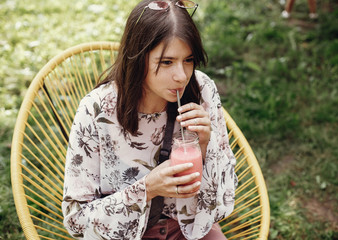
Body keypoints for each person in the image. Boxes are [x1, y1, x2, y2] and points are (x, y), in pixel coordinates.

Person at [62, 0, 237, 239]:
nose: (181, 76)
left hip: (188, 228)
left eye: (188, 60)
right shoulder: (97, 110)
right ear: (137, 58)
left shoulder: (201, 89)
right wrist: (147, 188)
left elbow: (224, 199)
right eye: (166, 62)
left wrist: (207, 146)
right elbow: (76, 220)